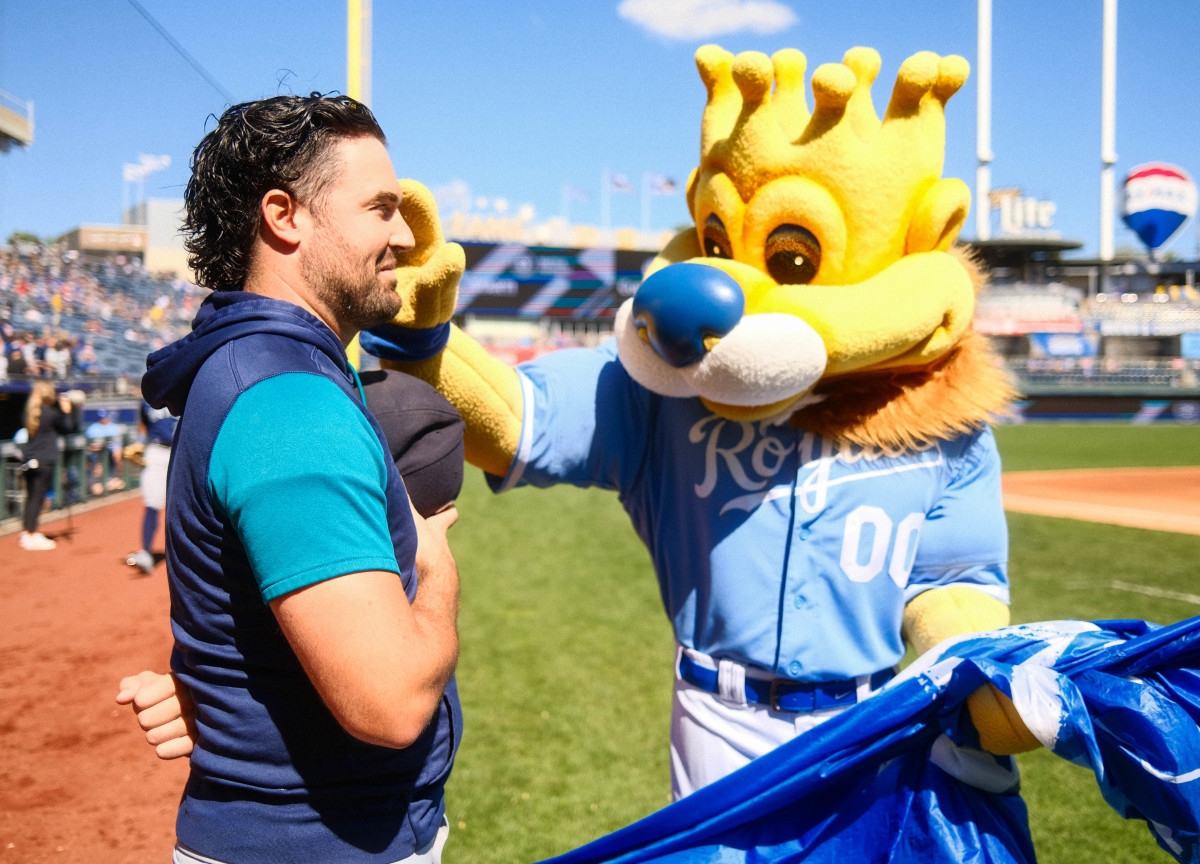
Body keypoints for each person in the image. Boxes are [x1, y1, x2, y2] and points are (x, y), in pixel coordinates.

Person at [116, 93, 462, 864]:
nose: (405, 237)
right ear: (286, 215)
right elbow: (393, 702)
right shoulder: (289, 404)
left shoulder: (265, 372)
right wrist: (437, 568)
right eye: (381, 209)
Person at [17, 380, 78, 550]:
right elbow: (67, 427)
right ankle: (31, 533)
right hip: (44, 460)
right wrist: (66, 411)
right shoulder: (51, 413)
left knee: (31, 498)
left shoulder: (30, 411)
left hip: (28, 459)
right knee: (37, 498)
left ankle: (27, 531)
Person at [124, 394, 179, 574]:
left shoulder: (184, 392)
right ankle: (147, 553)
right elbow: (143, 425)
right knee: (152, 503)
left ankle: (187, 554)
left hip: (180, 451)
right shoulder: (147, 400)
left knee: (181, 506)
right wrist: (139, 443)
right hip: (156, 451)